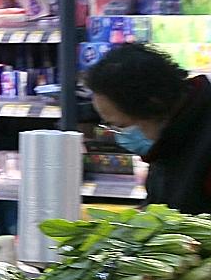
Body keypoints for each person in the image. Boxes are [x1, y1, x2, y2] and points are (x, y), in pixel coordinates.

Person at [87, 42, 211, 212]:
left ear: (153, 104)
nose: (120, 136)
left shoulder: (195, 137)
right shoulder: (169, 136)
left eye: (122, 125)